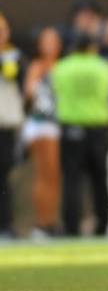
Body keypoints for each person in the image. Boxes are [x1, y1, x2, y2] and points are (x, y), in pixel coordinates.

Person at [51, 33, 108, 236]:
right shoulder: (103, 67)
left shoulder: (62, 67)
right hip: (98, 127)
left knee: (72, 180)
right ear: (92, 47)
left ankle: (71, 228)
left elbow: (56, 92)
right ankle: (102, 226)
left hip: (71, 127)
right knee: (101, 180)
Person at [22, 27, 62, 237]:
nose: (50, 45)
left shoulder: (63, 66)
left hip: (56, 124)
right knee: (44, 174)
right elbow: (30, 92)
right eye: (46, 41)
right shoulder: (37, 66)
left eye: (53, 41)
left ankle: (51, 220)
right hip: (41, 123)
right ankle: (41, 222)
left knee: (54, 175)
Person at [0, 12, 25, 238]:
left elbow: (18, 80)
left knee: (5, 176)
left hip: (6, 125)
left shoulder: (14, 56)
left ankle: (5, 225)